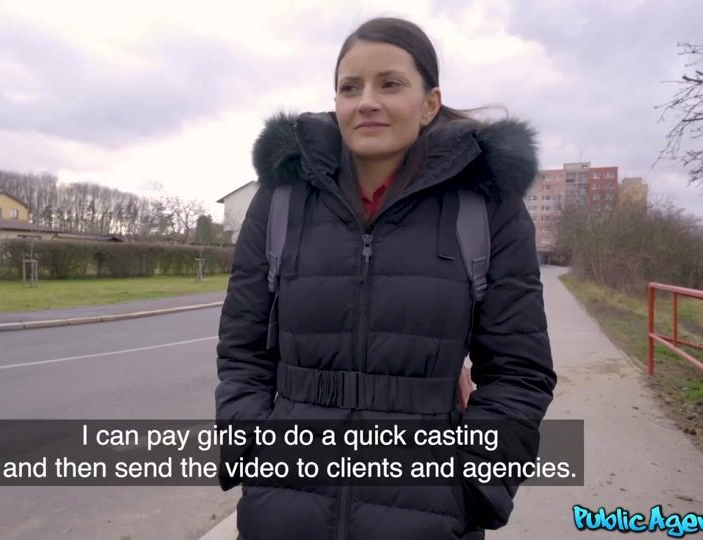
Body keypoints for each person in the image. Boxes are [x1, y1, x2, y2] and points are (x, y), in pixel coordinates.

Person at [215, 16, 557, 540]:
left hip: (430, 517)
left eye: (390, 84)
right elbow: (242, 352)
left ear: (430, 103)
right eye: (350, 87)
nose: (367, 102)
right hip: (283, 513)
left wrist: (474, 484)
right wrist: (254, 453)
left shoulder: (485, 207)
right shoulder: (281, 201)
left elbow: (520, 372)